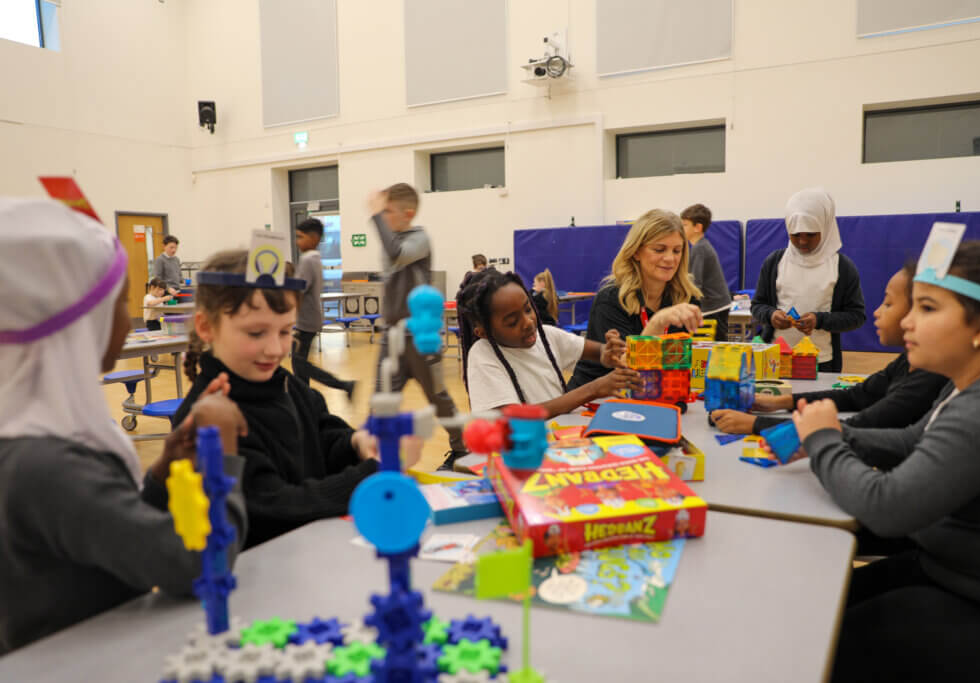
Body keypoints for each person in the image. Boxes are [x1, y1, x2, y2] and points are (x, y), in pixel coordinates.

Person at [0, 198, 248, 654]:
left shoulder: (26, 440)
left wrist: (157, 474)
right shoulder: (49, 466)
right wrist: (223, 458)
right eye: (121, 301)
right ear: (82, 316)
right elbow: (196, 566)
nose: (128, 317)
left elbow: (102, 530)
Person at [788, 240, 980, 682]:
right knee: (816, 609)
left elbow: (888, 506)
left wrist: (824, 442)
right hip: (948, 567)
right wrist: (841, 435)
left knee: (814, 644)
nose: (908, 322)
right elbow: (915, 439)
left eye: (928, 309)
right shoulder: (975, 380)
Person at [173, 250, 389, 548]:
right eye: (256, 333)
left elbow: (324, 437)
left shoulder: (288, 385)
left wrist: (356, 443)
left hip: (309, 560)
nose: (275, 350)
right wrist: (369, 473)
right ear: (207, 327)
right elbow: (273, 508)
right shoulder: (208, 417)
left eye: (286, 331)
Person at [711, 263, 948, 434]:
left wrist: (756, 425)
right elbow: (856, 396)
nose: (878, 311)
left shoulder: (926, 377)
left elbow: (853, 428)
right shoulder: (907, 362)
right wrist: (779, 402)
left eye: (887, 303)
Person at [369, 183, 465, 470]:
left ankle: (462, 449)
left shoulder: (419, 239)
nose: (383, 216)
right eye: (382, 211)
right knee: (381, 399)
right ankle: (377, 456)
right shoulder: (393, 239)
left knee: (438, 398)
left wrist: (375, 217)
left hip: (419, 338)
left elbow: (397, 254)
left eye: (388, 211)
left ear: (407, 214)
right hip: (392, 337)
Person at [458, 269, 641, 414]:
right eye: (512, 322)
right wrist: (592, 389)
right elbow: (513, 418)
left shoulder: (546, 336)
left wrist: (607, 352)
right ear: (482, 332)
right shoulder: (483, 355)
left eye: (528, 309)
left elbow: (598, 352)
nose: (528, 322)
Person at [568, 209, 703, 390]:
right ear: (636, 252)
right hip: (596, 402)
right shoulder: (611, 300)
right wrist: (657, 323)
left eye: (677, 250)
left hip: (652, 395)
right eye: (659, 249)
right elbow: (625, 367)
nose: (670, 258)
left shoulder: (687, 298)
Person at [750, 188, 865, 372]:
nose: (802, 241)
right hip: (774, 359)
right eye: (796, 235)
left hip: (822, 361)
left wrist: (819, 320)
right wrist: (771, 315)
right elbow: (757, 306)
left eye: (811, 234)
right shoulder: (775, 262)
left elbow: (856, 316)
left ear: (825, 228)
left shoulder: (842, 267)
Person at [681, 203, 732, 341]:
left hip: (714, 307)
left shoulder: (699, 249)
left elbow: (695, 283)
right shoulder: (700, 246)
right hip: (716, 305)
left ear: (697, 227)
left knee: (715, 348)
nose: (681, 228)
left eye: (685, 225)